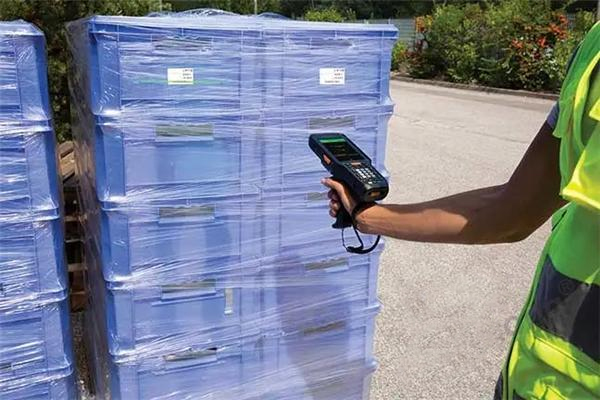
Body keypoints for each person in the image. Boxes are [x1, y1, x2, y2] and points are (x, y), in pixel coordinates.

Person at [322, 22, 599, 400]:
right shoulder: (594, 46)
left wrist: (364, 216)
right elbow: (513, 209)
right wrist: (366, 217)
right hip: (542, 377)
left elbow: (510, 214)